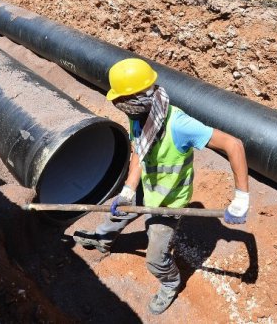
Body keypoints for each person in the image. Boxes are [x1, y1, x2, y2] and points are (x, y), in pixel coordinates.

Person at [73, 58, 250, 315]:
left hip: (168, 201)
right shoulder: (140, 116)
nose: (117, 104)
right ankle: (104, 239)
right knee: (117, 213)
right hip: (148, 186)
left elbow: (234, 145)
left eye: (121, 99)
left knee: (156, 260)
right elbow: (139, 152)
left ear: (137, 97)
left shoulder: (178, 124)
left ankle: (170, 282)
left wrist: (241, 198)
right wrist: (128, 190)